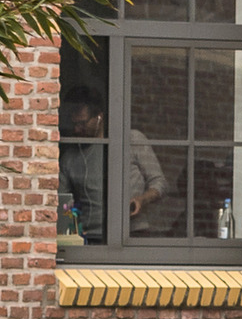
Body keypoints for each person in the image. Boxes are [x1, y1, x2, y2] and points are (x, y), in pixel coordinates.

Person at [59, 86, 168, 240]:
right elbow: (60, 201)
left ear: (99, 117)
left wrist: (141, 199)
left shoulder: (132, 140)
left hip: (134, 233)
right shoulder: (69, 158)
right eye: (74, 124)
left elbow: (159, 183)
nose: (77, 130)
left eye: (82, 124)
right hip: (88, 237)